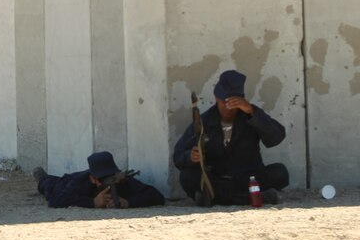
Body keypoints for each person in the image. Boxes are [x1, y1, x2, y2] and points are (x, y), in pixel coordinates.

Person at [173, 69, 288, 206]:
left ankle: (223, 200)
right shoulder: (205, 121)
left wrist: (252, 111)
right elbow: (178, 156)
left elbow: (277, 137)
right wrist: (191, 156)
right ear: (216, 97)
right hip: (217, 181)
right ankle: (249, 199)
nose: (228, 106)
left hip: (248, 179)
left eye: (233, 102)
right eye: (224, 101)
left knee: (280, 173)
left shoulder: (250, 115)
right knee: (187, 176)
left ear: (242, 99)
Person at [32, 151, 165, 209]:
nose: (110, 181)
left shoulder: (120, 180)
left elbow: (156, 196)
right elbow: (55, 200)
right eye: (103, 179)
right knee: (48, 184)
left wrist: (128, 202)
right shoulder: (79, 183)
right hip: (64, 182)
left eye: (111, 176)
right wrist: (92, 202)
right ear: (93, 179)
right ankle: (41, 176)